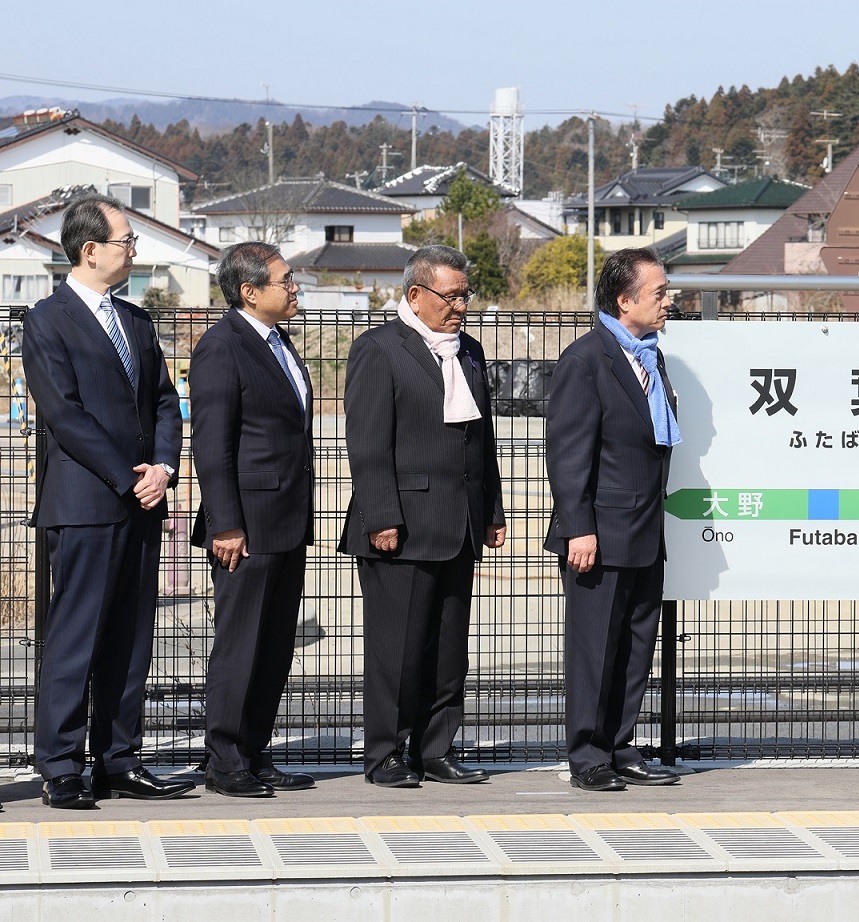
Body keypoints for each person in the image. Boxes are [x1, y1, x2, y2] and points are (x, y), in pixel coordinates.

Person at [22, 194, 193, 807]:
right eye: (127, 242)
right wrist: (129, 475)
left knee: (130, 638)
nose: (134, 251)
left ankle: (118, 758)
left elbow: (167, 403)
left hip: (144, 501)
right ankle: (61, 764)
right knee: (76, 636)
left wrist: (165, 468)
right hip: (87, 502)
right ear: (90, 250)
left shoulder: (138, 322)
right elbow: (65, 415)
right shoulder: (47, 320)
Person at [340, 245, 506, 788]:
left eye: (465, 295)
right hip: (400, 525)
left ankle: (436, 748)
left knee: (447, 647)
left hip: (457, 523)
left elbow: (481, 441)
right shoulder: (379, 350)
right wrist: (382, 515)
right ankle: (384, 752)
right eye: (450, 296)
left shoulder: (471, 352)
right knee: (397, 649)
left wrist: (491, 510)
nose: (460, 306)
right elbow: (367, 444)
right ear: (415, 295)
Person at [545, 247, 681, 792]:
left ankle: (620, 744)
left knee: (635, 645)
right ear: (625, 301)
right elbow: (569, 452)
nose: (669, 302)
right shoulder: (586, 359)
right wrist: (579, 526)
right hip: (599, 532)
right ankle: (588, 754)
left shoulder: (648, 355)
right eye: (659, 294)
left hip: (645, 528)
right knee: (594, 647)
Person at [189, 242, 315, 797]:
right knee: (241, 641)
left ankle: (254, 749)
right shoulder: (222, 347)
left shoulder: (278, 341)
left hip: (286, 517)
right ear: (250, 290)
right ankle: (224, 758)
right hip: (246, 525)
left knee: (274, 643)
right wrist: (226, 524)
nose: (293, 289)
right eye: (285, 281)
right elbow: (211, 446)